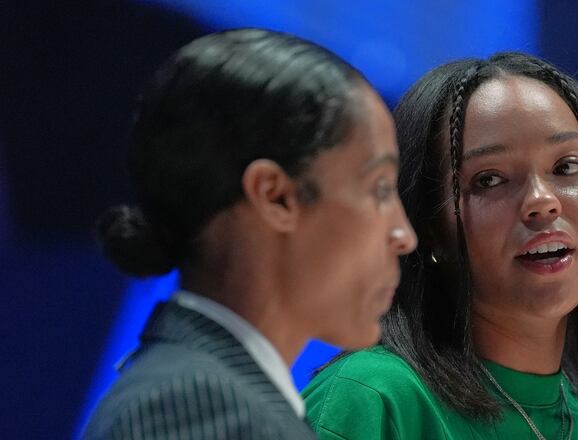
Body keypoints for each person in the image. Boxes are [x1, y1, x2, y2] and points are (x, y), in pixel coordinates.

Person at [81, 28, 416, 440]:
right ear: (275, 196)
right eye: (379, 189)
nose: (404, 235)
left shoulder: (205, 396)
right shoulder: (200, 407)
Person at [303, 52, 578, 439]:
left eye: (566, 167)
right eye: (489, 179)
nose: (542, 201)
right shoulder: (372, 399)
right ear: (428, 229)